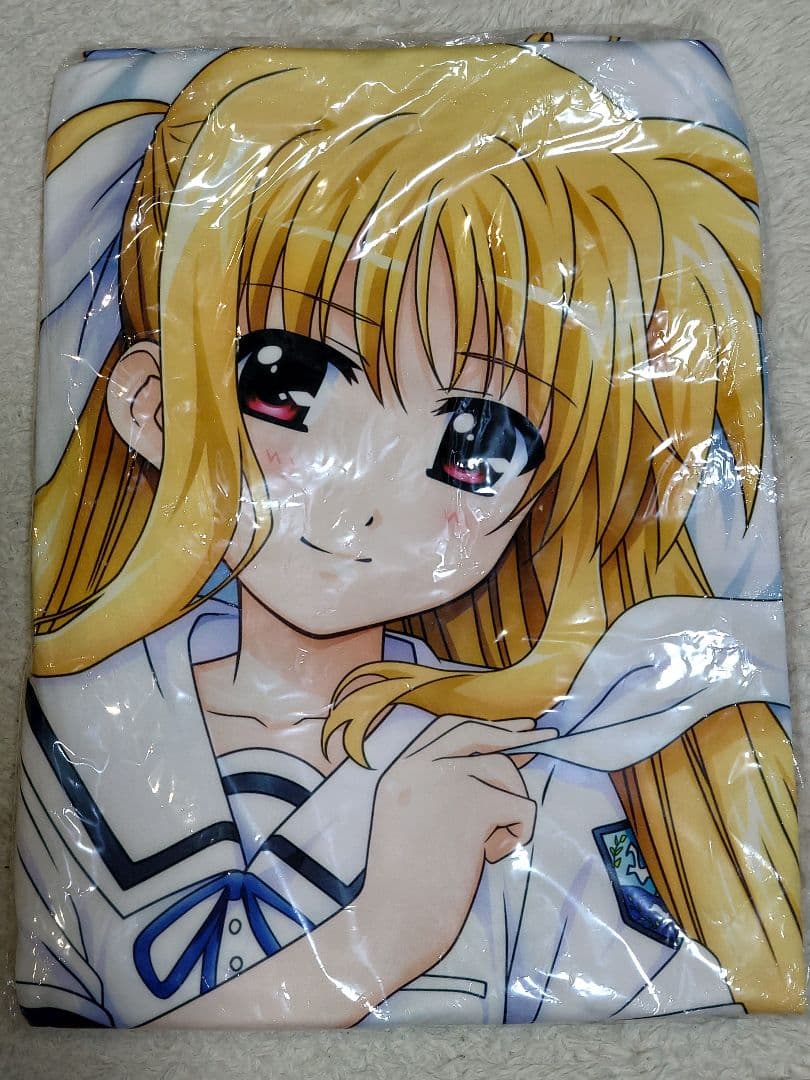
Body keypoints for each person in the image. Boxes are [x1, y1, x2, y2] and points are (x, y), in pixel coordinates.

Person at [16, 44, 802, 1028]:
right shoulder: (79, 732)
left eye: (477, 440)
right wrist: (385, 930)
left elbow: (681, 1025)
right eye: (288, 380)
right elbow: (61, 1048)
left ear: (543, 502)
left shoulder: (523, 777)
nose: (362, 499)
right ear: (149, 402)